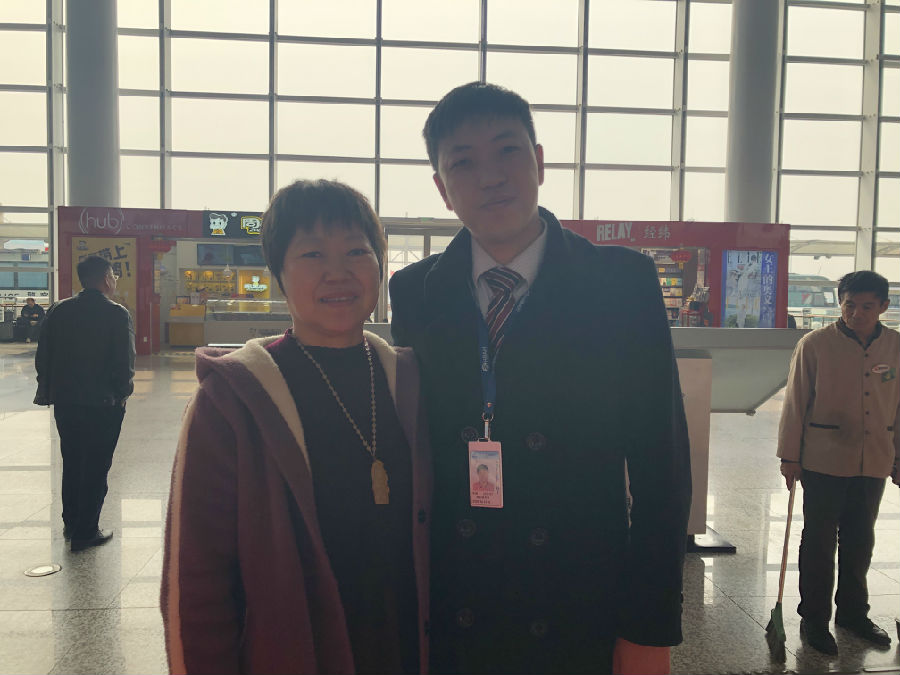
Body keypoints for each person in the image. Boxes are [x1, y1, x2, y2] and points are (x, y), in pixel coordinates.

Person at [389, 82, 692, 675]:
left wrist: (648, 627)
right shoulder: (416, 290)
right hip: (458, 597)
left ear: (540, 162)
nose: (490, 177)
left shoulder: (620, 282)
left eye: (508, 150)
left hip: (577, 593)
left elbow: (662, 463)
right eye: (463, 163)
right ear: (442, 189)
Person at [161, 179, 430, 674]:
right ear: (279, 273)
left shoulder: (411, 382)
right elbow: (197, 582)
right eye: (312, 255)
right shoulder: (232, 400)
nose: (338, 272)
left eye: (357, 251)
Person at [778, 270, 900, 656]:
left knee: (860, 538)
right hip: (823, 457)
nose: (857, 313)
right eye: (850, 305)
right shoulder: (815, 344)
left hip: (874, 457)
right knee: (818, 539)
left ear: (884, 306)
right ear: (839, 303)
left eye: (867, 306)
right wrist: (789, 456)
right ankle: (814, 618)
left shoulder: (896, 346)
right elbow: (795, 401)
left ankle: (852, 614)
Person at [34, 255, 135, 552]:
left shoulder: (59, 310)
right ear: (105, 278)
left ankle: (71, 523)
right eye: (113, 276)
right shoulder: (116, 313)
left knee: (73, 460)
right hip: (103, 404)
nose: (114, 280)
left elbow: (43, 354)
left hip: (65, 401)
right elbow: (124, 363)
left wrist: (50, 388)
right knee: (96, 465)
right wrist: (122, 394)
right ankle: (86, 532)